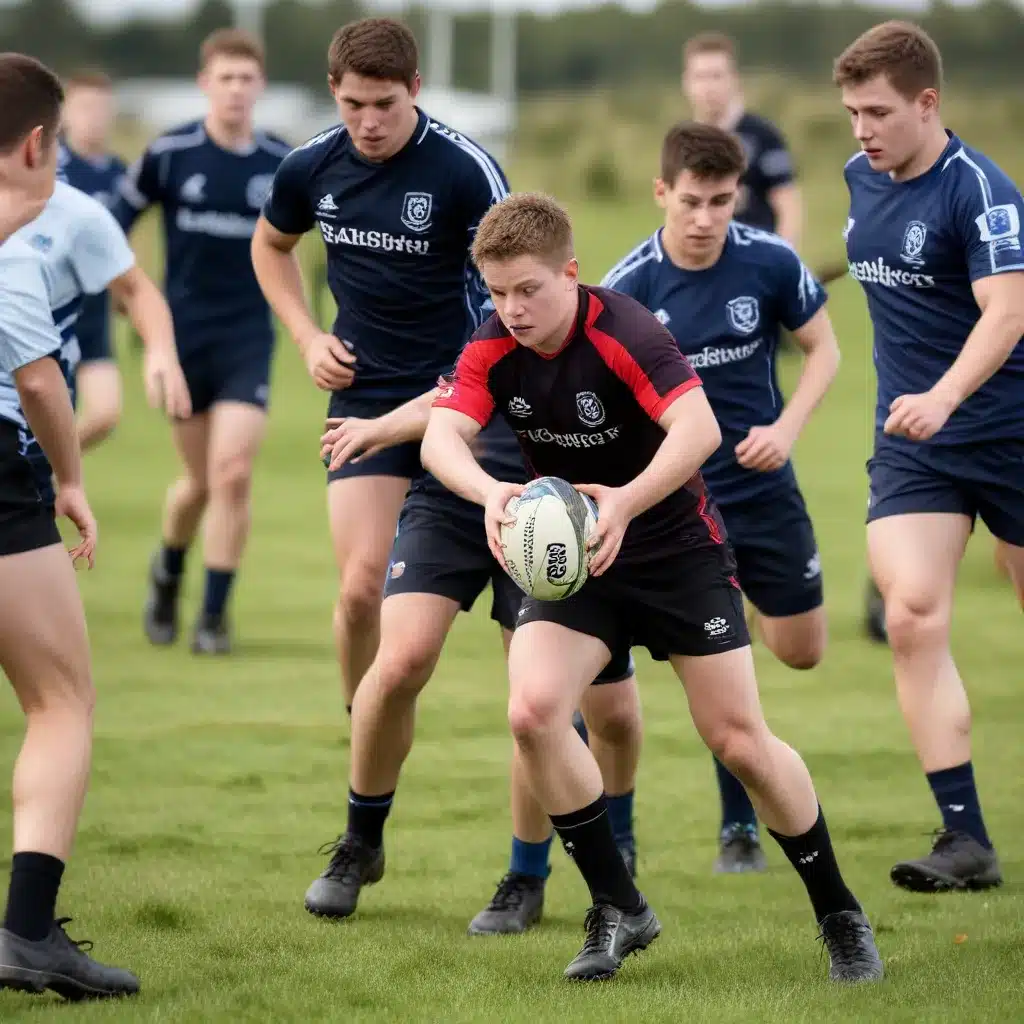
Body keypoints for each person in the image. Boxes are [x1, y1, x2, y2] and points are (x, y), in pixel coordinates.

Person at [422, 191, 883, 983]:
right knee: (533, 712)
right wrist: (490, 493)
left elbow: (700, 430)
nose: (511, 309)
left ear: (570, 274)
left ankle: (840, 914)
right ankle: (619, 906)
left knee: (738, 741)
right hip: (576, 561)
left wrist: (627, 502)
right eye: (497, 293)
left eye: (528, 289)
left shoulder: (625, 328)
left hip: (674, 551)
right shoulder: (495, 342)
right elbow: (441, 435)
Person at [251, 17, 509, 714]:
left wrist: (470, 384)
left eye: (385, 105)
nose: (368, 123)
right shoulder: (310, 166)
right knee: (363, 588)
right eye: (353, 104)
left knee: (494, 587)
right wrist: (307, 336)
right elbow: (270, 247)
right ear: (333, 91)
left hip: (458, 399)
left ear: (416, 90)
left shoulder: (465, 171)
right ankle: (361, 722)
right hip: (364, 397)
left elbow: (512, 295)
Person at [602, 121, 840, 875]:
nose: (706, 219)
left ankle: (744, 647)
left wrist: (787, 427)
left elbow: (824, 349)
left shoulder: (769, 261)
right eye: (692, 202)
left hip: (766, 487)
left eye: (722, 202)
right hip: (686, 505)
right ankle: (740, 829)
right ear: (661, 192)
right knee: (719, 650)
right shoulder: (629, 285)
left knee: (800, 651)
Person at [312, 399, 641, 933]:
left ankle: (525, 878)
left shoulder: (603, 327)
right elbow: (454, 393)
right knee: (399, 662)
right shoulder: (493, 328)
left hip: (551, 509)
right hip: (455, 496)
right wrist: (383, 427)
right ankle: (360, 841)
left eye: (522, 303)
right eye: (504, 304)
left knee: (544, 703)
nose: (513, 309)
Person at [836, 20, 1024, 892]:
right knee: (911, 614)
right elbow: (855, 260)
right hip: (916, 447)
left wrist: (948, 395)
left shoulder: (980, 192)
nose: (862, 130)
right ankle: (966, 839)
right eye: (850, 113)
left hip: (1009, 430)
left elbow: (1008, 311)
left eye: (878, 112)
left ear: (927, 102)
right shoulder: (857, 180)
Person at [0, 51, 139, 1001]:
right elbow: (41, 379)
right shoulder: (10, 253)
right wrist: (69, 476)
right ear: (41, 143)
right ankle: (26, 932)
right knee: (60, 701)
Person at [112, 28, 291, 655]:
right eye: (226, 78)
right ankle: (169, 569)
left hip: (248, 335)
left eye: (247, 79)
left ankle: (212, 618)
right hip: (182, 338)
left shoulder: (280, 162)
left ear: (260, 86)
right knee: (199, 482)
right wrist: (128, 295)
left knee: (233, 473)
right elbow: (112, 225)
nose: (237, 90)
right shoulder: (172, 152)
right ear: (204, 84)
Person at [1, 179, 190, 507]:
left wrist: (160, 349)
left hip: (83, 322)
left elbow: (133, 284)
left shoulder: (85, 206)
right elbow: (36, 385)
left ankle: (57, 473)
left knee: (103, 413)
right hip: (22, 401)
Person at [57, 70, 129, 452]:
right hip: (49, 314)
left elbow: (124, 241)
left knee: (104, 414)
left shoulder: (120, 174)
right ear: (65, 114)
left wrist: (126, 292)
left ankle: (47, 475)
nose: (94, 117)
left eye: (101, 109)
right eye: (84, 107)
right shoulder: (48, 168)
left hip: (95, 314)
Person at [682, 31, 801, 249]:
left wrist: (784, 261)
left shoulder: (763, 135)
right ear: (686, 82)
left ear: (733, 79)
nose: (708, 87)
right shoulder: (682, 141)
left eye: (716, 76)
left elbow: (787, 205)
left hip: (756, 261)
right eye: (700, 77)